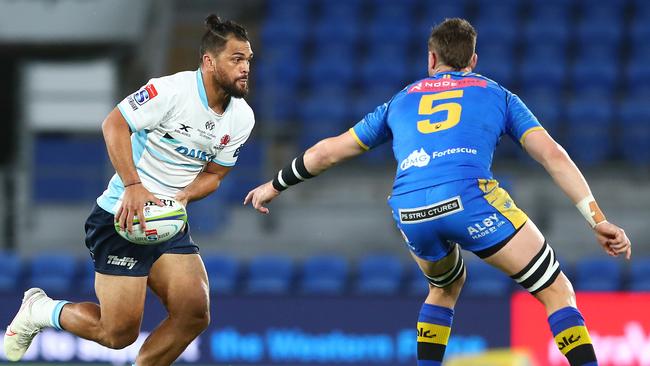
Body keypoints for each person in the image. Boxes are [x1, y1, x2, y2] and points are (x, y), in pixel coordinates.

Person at [244, 18, 631, 366]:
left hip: (410, 208)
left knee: (444, 287)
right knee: (555, 289)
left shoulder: (399, 101)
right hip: (469, 199)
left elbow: (326, 152)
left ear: (431, 60)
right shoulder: (498, 95)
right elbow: (553, 155)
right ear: (473, 59)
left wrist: (275, 184)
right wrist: (597, 218)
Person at [4, 14, 255, 366]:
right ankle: (39, 310)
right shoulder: (170, 91)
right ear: (209, 62)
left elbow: (215, 175)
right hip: (122, 217)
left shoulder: (242, 118)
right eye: (237, 59)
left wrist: (182, 196)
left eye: (248, 60)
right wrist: (134, 186)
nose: (246, 68)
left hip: (167, 219)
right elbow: (114, 124)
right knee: (117, 334)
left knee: (194, 313)